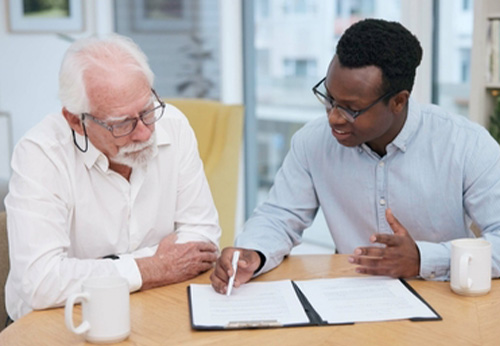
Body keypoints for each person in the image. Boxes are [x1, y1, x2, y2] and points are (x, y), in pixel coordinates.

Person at [211, 18, 500, 294]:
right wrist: (252, 253)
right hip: (349, 301)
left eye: (351, 108)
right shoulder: (311, 143)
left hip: (444, 303)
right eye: (329, 99)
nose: (334, 118)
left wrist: (424, 259)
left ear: (398, 101)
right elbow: (279, 216)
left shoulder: (466, 145)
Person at [5, 34, 220, 321]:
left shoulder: (174, 125)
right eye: (123, 124)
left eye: (146, 111)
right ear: (76, 121)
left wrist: (103, 270)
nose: (144, 132)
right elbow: (40, 283)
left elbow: (204, 240)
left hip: (153, 306)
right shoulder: (40, 153)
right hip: (60, 319)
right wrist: (153, 267)